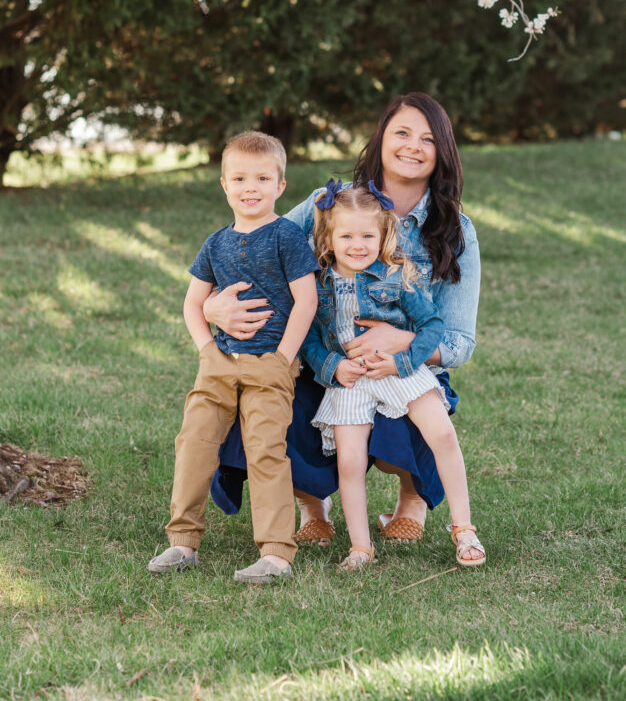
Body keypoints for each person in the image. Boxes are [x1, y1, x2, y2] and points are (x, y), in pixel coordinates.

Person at [206, 93, 482, 563]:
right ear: (381, 138)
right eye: (402, 133)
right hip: (325, 362)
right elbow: (250, 245)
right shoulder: (327, 205)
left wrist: (405, 345)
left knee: (413, 414)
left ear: (443, 152)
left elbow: (458, 341)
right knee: (277, 403)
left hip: (404, 364)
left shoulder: (454, 228)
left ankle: (411, 500)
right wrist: (213, 306)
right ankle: (313, 506)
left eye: (428, 139)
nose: (413, 146)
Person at [147, 131, 319, 585]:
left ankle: (277, 552)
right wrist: (207, 349)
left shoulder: (286, 237)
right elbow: (192, 302)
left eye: (262, 178)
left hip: (270, 365)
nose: (250, 187)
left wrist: (283, 358)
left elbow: (307, 301)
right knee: (194, 443)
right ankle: (182, 542)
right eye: (240, 177)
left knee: (266, 448)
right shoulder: (215, 243)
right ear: (224, 184)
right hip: (219, 364)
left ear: (280, 186)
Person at [305, 181, 485, 570]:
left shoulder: (396, 276)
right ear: (329, 238)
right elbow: (310, 340)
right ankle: (360, 547)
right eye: (347, 235)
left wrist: (402, 362)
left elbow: (432, 325)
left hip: (399, 370)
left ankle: (464, 528)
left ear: (383, 235)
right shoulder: (318, 286)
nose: (358, 244)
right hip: (350, 379)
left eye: (368, 235)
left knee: (441, 433)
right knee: (349, 461)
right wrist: (332, 366)